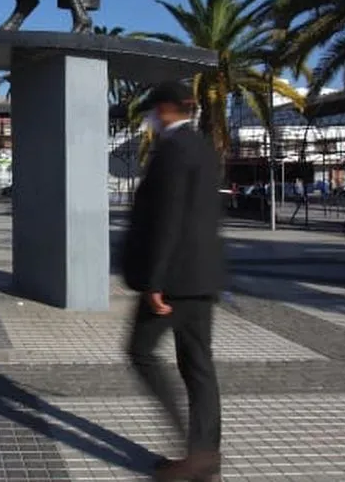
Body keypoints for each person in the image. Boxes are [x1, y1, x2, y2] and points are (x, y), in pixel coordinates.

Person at [121, 80, 226, 481]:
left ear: (166, 109)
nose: (151, 117)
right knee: (199, 366)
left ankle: (194, 455)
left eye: (153, 110)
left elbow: (168, 219)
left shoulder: (172, 150)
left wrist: (154, 280)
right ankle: (204, 454)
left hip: (174, 280)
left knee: (141, 351)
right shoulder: (200, 146)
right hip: (204, 276)